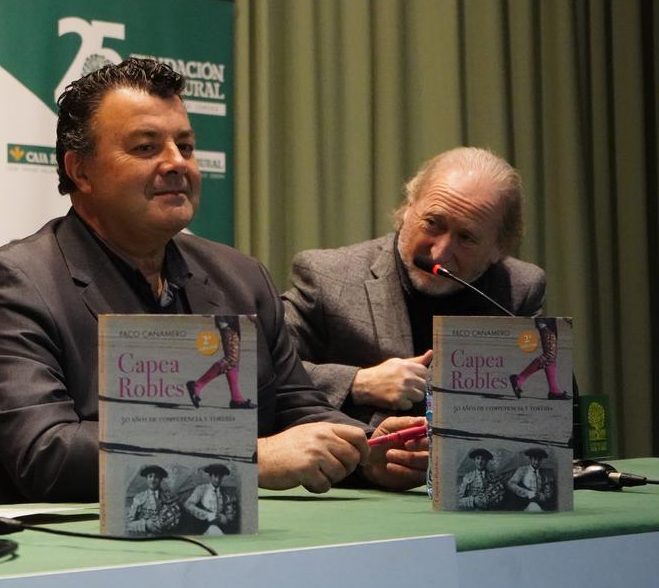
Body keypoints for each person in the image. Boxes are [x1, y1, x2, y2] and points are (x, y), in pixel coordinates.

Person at [0, 58, 426, 502]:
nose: (177, 163)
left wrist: (364, 449)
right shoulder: (15, 283)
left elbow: (294, 406)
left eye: (184, 146)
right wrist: (245, 457)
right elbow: (47, 453)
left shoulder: (240, 276)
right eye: (146, 148)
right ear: (80, 169)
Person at [283, 147, 546, 425]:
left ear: (499, 249)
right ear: (408, 208)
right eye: (433, 223)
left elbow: (531, 408)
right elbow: (268, 371)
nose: (439, 253)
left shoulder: (519, 290)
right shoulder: (327, 276)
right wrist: (358, 383)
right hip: (360, 462)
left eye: (466, 237)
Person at [187, 315, 255, 409]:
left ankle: (236, 399)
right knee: (231, 358)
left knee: (233, 359)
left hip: (230, 319)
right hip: (226, 318)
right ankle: (197, 385)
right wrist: (252, 316)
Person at [510, 316, 569, 400]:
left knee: (551, 355)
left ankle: (553, 390)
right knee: (549, 354)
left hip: (548, 321)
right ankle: (519, 379)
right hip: (545, 321)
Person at [125, 465, 181, 536]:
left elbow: (174, 520)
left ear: (160, 480)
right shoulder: (139, 498)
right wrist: (146, 524)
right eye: (150, 476)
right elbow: (128, 525)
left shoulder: (169, 498)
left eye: (156, 477)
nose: (153, 480)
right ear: (146, 479)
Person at [183, 463, 239, 534]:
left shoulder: (226, 494)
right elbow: (188, 505)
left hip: (220, 527)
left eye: (220, 477)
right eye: (215, 476)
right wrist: (207, 515)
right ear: (210, 476)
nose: (217, 479)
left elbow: (230, 515)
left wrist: (224, 518)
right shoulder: (201, 489)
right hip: (202, 526)